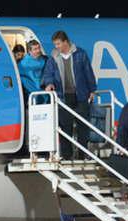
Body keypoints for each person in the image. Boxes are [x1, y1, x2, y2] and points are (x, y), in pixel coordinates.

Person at [42, 30, 97, 160]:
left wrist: (92, 90)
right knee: (65, 127)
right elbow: (48, 74)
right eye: (55, 44)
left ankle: (82, 154)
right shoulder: (53, 58)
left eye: (58, 44)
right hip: (63, 97)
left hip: (80, 96)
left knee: (83, 126)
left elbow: (88, 72)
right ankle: (67, 156)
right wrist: (49, 84)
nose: (56, 47)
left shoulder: (80, 54)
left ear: (66, 42)